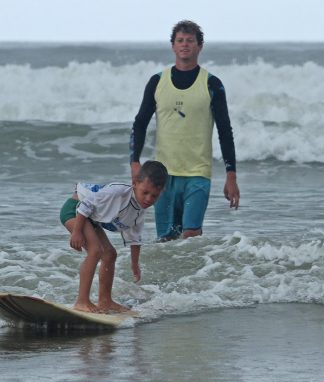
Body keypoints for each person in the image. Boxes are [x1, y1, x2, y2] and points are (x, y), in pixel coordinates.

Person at [129, 20, 240, 241]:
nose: (185, 45)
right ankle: (171, 277)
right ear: (173, 46)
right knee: (166, 238)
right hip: (163, 175)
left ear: (200, 46)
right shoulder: (157, 82)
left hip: (198, 173)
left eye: (190, 40)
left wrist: (231, 175)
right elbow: (140, 123)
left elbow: (225, 131)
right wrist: (134, 162)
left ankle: (198, 276)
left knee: (190, 235)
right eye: (180, 40)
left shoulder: (212, 84)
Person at [60, 160, 168, 313]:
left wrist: (135, 264)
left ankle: (105, 301)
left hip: (90, 219)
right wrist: (77, 232)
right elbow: (86, 205)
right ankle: (81, 301)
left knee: (110, 254)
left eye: (154, 196)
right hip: (75, 210)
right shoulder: (117, 192)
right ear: (134, 183)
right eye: (145, 192)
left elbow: (135, 238)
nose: (149, 199)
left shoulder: (139, 211)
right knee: (96, 250)